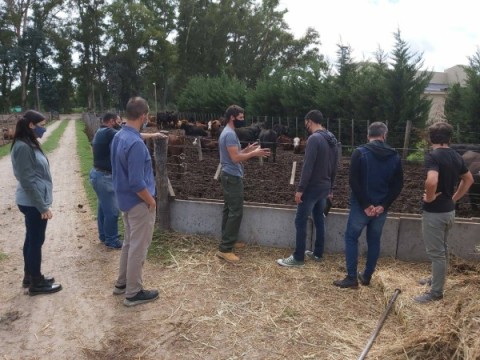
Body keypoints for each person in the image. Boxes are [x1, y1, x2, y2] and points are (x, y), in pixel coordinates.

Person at [110, 97, 166, 306]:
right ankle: (134, 293)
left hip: (123, 199)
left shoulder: (120, 136)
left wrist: (152, 135)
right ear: (144, 116)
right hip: (138, 203)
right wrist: (151, 201)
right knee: (138, 247)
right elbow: (136, 182)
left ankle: (122, 283)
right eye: (148, 116)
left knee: (128, 243)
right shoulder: (135, 145)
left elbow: (135, 137)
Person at [333, 122, 403, 288]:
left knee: (351, 237)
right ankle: (366, 276)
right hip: (380, 209)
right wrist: (383, 206)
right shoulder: (394, 156)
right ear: (384, 135)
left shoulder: (360, 152)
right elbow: (398, 185)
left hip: (361, 206)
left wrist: (365, 205)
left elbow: (353, 181)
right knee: (374, 240)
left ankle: (351, 278)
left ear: (368, 135)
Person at [414, 122, 473, 303]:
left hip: (435, 213)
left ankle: (436, 292)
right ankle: (435, 279)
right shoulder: (456, 156)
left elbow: (432, 181)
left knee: (436, 253)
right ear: (449, 138)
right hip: (449, 211)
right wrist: (454, 198)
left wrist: (430, 198)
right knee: (443, 249)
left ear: (431, 138)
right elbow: (468, 179)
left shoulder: (433, 156)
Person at [277, 110, 338, 267]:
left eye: (306, 123)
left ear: (309, 121)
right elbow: (335, 166)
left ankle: (298, 258)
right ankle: (318, 254)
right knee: (319, 219)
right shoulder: (332, 138)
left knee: (300, 220)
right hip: (324, 187)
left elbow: (308, 166)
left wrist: (300, 189)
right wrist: (331, 186)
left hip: (312, 188)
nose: (306, 126)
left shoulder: (314, 139)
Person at [10, 110, 62, 296]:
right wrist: (42, 207)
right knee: (35, 241)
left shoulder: (28, 143)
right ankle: (36, 283)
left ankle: (30, 276)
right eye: (41, 125)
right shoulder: (23, 147)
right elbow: (27, 181)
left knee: (32, 239)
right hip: (33, 202)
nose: (43, 128)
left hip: (33, 200)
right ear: (31, 125)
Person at [216, 105, 271, 262]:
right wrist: (254, 153)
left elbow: (235, 154)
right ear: (232, 117)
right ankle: (225, 249)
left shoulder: (228, 132)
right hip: (232, 176)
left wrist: (247, 150)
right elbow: (235, 159)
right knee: (236, 211)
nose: (243, 120)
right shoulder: (230, 135)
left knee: (229, 209)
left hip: (229, 175)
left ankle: (228, 240)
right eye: (240, 118)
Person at [89, 113, 123, 249]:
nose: (120, 124)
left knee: (103, 208)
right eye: (119, 121)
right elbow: (127, 136)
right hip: (104, 177)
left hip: (98, 174)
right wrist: (153, 135)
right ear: (111, 121)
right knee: (113, 211)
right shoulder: (108, 131)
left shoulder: (100, 131)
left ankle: (104, 235)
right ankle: (112, 240)